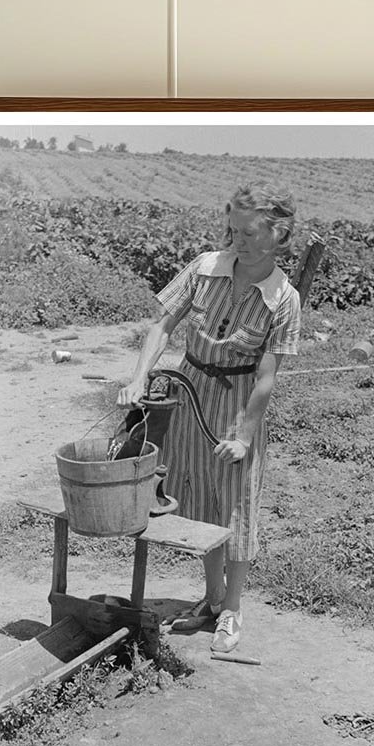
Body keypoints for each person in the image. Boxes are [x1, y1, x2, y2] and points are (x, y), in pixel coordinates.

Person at [117, 183, 302, 653]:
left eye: (248, 232)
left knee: (236, 504)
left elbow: (266, 376)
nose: (236, 239)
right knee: (197, 494)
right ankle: (212, 596)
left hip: (239, 400)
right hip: (190, 390)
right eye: (233, 229)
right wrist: (140, 377)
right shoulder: (203, 268)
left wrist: (243, 436)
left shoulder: (283, 298)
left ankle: (233, 609)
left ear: (278, 235)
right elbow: (162, 326)